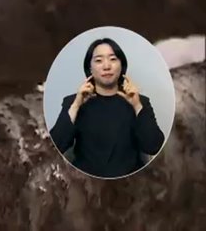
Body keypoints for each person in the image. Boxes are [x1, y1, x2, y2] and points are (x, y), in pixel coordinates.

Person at [49, 37, 166, 178]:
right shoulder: (73, 102)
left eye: (113, 59)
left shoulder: (140, 101)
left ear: (121, 66)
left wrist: (137, 106)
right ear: (90, 68)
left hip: (130, 183)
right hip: (85, 184)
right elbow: (55, 147)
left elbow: (153, 147)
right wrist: (76, 105)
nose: (106, 66)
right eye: (98, 60)